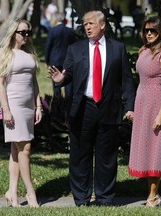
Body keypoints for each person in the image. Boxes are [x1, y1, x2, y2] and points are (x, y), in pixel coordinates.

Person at [49, 10, 135, 206]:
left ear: (102, 25)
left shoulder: (118, 48)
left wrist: (129, 106)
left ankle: (105, 198)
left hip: (108, 107)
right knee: (80, 155)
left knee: (107, 155)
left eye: (90, 23)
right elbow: (67, 74)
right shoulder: (75, 49)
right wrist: (61, 79)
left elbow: (126, 81)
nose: (86, 27)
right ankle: (82, 198)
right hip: (83, 108)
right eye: (84, 24)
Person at [0, 19, 42, 208]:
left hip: (29, 106)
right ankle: (30, 193)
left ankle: (11, 193)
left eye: (28, 32)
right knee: (25, 149)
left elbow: (34, 81)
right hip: (13, 106)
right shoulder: (3, 54)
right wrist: (5, 109)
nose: (26, 36)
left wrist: (39, 106)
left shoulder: (29, 53)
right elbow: (0, 83)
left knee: (16, 150)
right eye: (22, 32)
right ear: (13, 33)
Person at [128, 16, 161, 207]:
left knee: (155, 149)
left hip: (156, 105)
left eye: (153, 31)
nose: (149, 33)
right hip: (142, 104)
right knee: (145, 149)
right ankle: (150, 193)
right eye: (146, 30)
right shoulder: (143, 51)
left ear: (160, 32)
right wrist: (135, 109)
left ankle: (153, 196)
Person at [45, 12, 76, 99]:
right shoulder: (70, 31)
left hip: (55, 60)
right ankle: (68, 99)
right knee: (68, 81)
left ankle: (57, 100)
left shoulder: (52, 31)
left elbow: (48, 46)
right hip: (67, 60)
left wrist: (47, 60)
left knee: (56, 81)